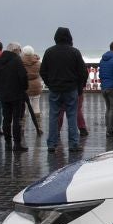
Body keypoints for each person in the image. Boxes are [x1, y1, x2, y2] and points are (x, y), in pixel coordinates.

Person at [39, 26, 87, 154]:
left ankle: (51, 144)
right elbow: (83, 72)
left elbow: (42, 71)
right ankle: (73, 144)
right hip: (71, 89)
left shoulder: (49, 52)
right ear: (69, 37)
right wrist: (79, 87)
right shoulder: (75, 52)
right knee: (72, 115)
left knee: (53, 116)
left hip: (55, 89)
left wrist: (50, 83)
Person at [0, 42, 29, 152]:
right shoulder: (17, 60)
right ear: (16, 50)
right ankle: (17, 144)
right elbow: (23, 77)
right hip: (16, 94)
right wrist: (24, 87)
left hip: (4, 94)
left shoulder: (1, 60)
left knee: (6, 118)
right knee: (16, 119)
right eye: (19, 51)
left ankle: (7, 142)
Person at [21, 45, 43, 134]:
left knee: (23, 108)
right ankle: (39, 127)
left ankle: (21, 127)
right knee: (36, 107)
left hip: (24, 87)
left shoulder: (20, 62)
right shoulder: (38, 63)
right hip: (36, 86)